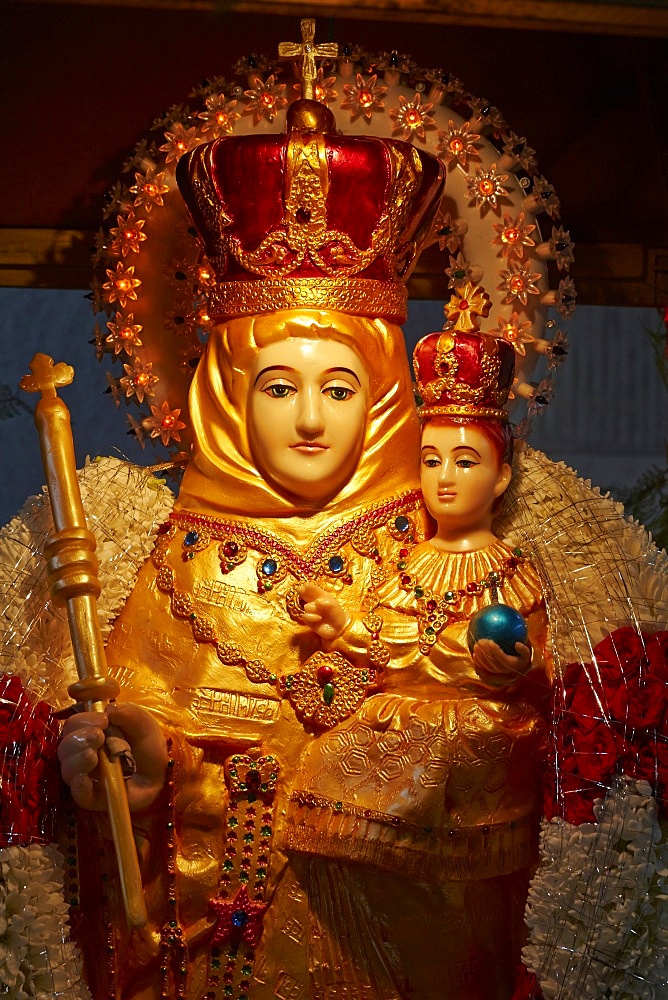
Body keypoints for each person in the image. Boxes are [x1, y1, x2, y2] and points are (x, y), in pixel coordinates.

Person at [56, 95, 447, 1000]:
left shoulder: (447, 562)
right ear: (229, 396)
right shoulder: (171, 571)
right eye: (279, 387)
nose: (310, 420)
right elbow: (135, 809)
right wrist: (129, 778)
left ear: (385, 395)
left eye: (339, 388)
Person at [282, 328, 553, 999]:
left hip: (477, 741)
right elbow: (384, 639)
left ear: (503, 474)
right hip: (395, 729)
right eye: (431, 461)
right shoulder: (403, 563)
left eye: (465, 461)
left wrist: (508, 662)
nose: (445, 478)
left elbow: (527, 658)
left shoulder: (511, 574)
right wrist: (343, 621)